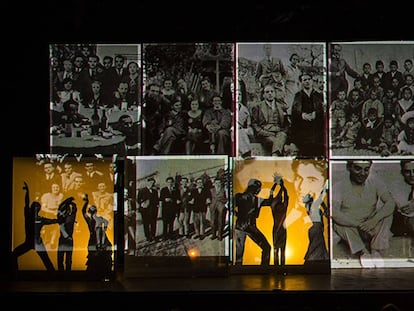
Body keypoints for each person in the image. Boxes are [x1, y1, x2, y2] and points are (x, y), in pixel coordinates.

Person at [332, 160, 395, 268]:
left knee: (387, 215)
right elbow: (334, 211)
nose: (362, 173)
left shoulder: (375, 182)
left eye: (366, 169)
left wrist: (373, 220)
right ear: (349, 168)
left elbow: (390, 203)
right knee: (338, 222)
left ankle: (376, 250)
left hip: (371, 225)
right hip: (351, 227)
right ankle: (363, 252)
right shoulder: (339, 186)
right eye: (358, 168)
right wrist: (358, 224)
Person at [12, 182, 58, 272]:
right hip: (29, 243)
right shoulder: (29, 216)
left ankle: (54, 275)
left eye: (35, 207)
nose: (34, 209)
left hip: (37, 244)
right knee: (14, 254)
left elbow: (53, 221)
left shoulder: (39, 218)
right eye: (34, 207)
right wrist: (27, 192)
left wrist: (63, 219)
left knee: (46, 261)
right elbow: (26, 203)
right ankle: (14, 274)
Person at [234, 178, 271, 266]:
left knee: (239, 253)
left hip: (239, 227)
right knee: (267, 247)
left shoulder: (239, 196)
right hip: (250, 227)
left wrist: (238, 215)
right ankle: (264, 269)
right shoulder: (257, 200)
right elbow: (270, 202)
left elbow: (229, 206)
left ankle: (238, 270)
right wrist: (272, 193)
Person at [290, 73, 325, 157]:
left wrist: (315, 113)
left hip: (316, 125)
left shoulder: (319, 95)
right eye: (304, 80)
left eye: (309, 79)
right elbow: (294, 112)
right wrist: (303, 115)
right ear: (301, 82)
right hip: (303, 126)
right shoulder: (298, 96)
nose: (307, 82)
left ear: (312, 81)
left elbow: (322, 110)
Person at [251, 84, 289, 156]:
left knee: (282, 135)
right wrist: (265, 133)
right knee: (275, 141)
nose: (270, 93)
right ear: (264, 95)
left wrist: (283, 131)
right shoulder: (257, 107)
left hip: (279, 133)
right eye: (267, 92)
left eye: (272, 91)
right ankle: (276, 156)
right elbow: (254, 124)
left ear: (275, 94)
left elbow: (286, 124)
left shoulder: (281, 107)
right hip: (266, 134)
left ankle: (274, 156)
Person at [81, 194, 112, 276]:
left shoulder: (92, 219)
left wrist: (86, 202)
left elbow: (83, 212)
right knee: (95, 256)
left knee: (98, 255)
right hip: (98, 238)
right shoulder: (93, 219)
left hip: (99, 238)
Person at [390, 160, 414, 239]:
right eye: (407, 172)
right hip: (402, 223)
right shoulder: (396, 187)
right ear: (402, 172)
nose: (412, 175)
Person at [268, 174, 289, 266]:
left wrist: (277, 184)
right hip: (281, 229)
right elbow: (286, 194)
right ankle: (281, 267)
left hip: (277, 229)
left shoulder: (274, 208)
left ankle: (277, 267)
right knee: (281, 250)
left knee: (277, 249)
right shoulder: (283, 207)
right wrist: (281, 185)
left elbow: (271, 193)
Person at [56, 196, 77, 272]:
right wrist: (69, 202)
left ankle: (66, 274)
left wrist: (68, 202)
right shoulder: (64, 217)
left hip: (66, 240)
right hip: (66, 240)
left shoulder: (69, 217)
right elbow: (74, 209)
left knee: (65, 259)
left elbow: (74, 209)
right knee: (63, 259)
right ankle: (65, 274)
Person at [137, 177, 159, 242]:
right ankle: (147, 236)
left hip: (153, 210)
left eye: (153, 183)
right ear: (147, 183)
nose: (151, 184)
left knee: (153, 223)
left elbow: (157, 200)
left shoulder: (155, 191)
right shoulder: (142, 190)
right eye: (150, 182)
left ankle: (153, 236)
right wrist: (142, 203)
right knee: (146, 224)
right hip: (145, 211)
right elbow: (138, 200)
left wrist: (157, 206)